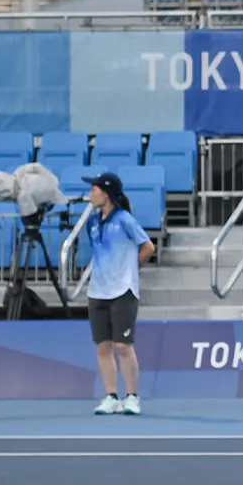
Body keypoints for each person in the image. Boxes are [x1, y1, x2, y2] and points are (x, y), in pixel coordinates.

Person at [82, 171, 155, 416]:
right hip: (98, 291)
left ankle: (132, 397)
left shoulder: (124, 219)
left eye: (93, 190)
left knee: (123, 345)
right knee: (103, 347)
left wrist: (130, 268)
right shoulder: (92, 222)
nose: (90, 194)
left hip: (123, 290)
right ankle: (111, 396)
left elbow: (148, 246)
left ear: (106, 194)